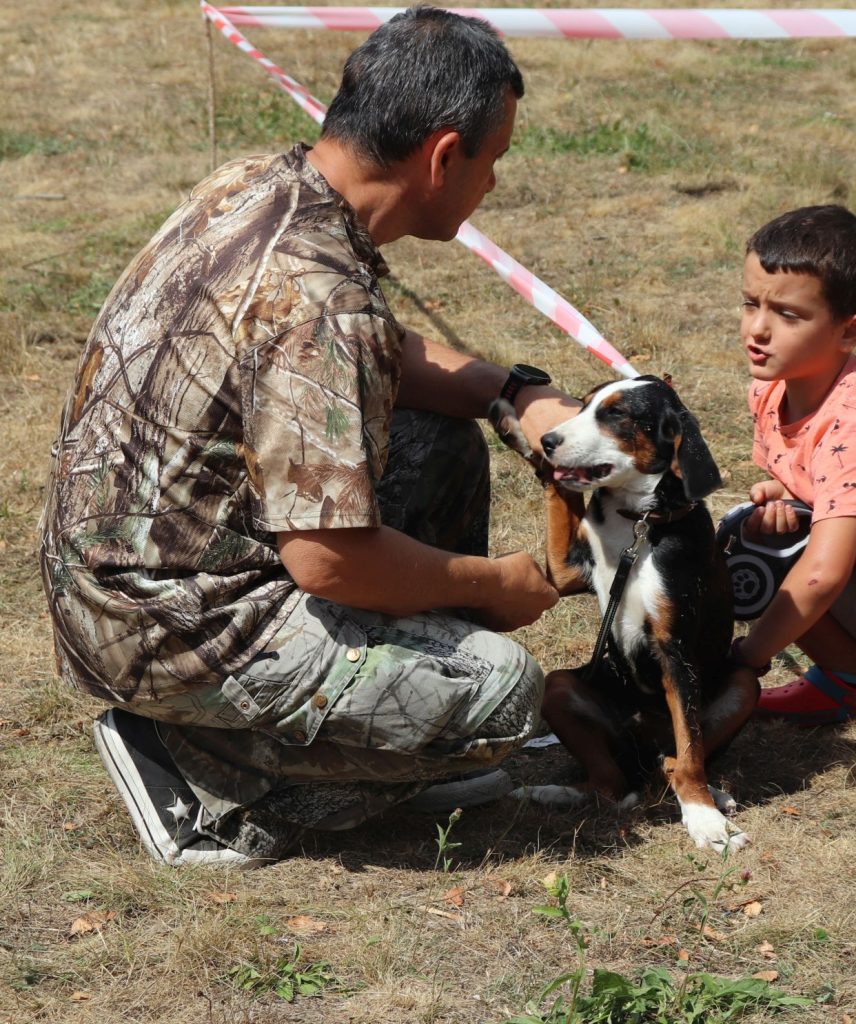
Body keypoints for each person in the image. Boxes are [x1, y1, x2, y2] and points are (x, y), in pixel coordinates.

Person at [38, 6, 580, 867]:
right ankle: (210, 787)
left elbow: (376, 354)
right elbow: (331, 564)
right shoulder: (325, 302)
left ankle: (348, 739)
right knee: (504, 695)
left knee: (440, 446)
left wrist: (507, 392)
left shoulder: (258, 186)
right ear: (443, 155)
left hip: (114, 583)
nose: (492, 187)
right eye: (492, 162)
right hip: (171, 630)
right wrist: (496, 585)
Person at [724, 204, 856, 725]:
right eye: (750, 303)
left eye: (788, 315)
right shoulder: (771, 389)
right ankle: (853, 685)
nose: (758, 328)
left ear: (851, 331)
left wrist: (748, 657)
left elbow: (823, 575)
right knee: (750, 535)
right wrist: (788, 502)